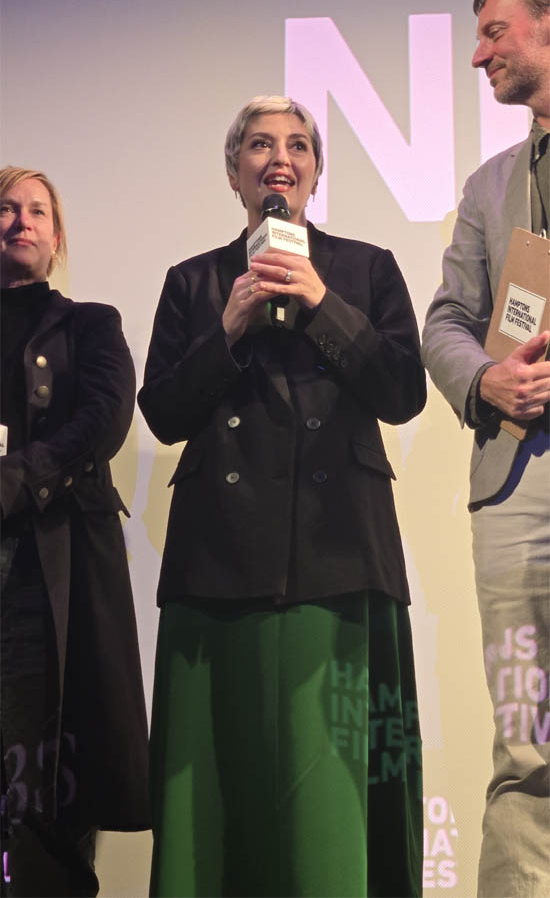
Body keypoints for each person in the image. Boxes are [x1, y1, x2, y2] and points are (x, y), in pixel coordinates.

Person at [139, 95, 426, 898]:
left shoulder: (364, 268)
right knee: (217, 786)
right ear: (236, 173)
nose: (280, 158)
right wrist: (226, 328)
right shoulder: (194, 282)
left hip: (340, 553)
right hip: (217, 565)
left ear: (313, 173)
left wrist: (321, 302)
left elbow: (403, 390)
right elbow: (161, 411)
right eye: (260, 145)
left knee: (334, 787)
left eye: (297, 145)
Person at [422, 0, 550, 898]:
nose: (477, 55)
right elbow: (445, 321)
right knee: (527, 738)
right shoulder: (489, 184)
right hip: (518, 490)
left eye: (494, 32)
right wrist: (486, 382)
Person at [0, 167, 149, 897]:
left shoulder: (90, 323)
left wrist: (20, 476)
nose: (19, 220)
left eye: (36, 210)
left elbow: (107, 415)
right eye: (5, 207)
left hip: (46, 574)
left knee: (45, 781)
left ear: (56, 238)